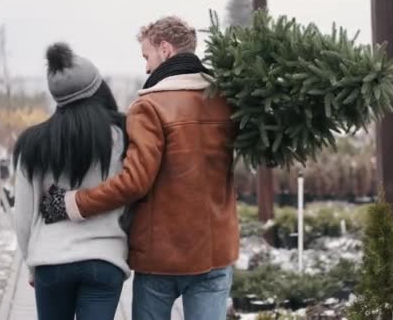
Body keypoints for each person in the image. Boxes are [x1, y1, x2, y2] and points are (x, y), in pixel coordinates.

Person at [40, 16, 239, 320]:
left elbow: (134, 182)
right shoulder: (227, 101)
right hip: (216, 253)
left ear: (165, 50)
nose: (146, 67)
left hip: (162, 258)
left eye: (147, 56)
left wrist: (71, 203)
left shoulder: (149, 106)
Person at [13, 43, 129, 320]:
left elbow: (23, 216)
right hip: (105, 260)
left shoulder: (33, 145)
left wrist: (32, 264)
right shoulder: (121, 137)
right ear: (98, 88)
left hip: (51, 261)